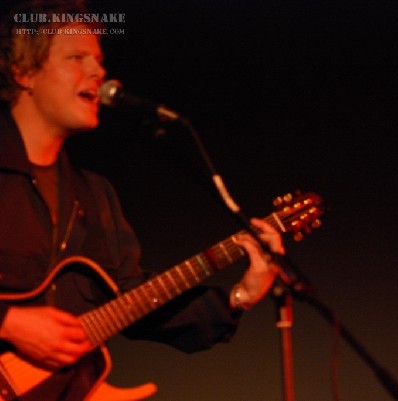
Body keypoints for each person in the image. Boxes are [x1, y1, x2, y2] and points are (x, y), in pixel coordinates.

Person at [0, 1, 284, 400]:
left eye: (98, 60)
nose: (98, 72)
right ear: (24, 72)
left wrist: (240, 295)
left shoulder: (94, 195)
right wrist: (8, 323)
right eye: (76, 57)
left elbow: (135, 301)